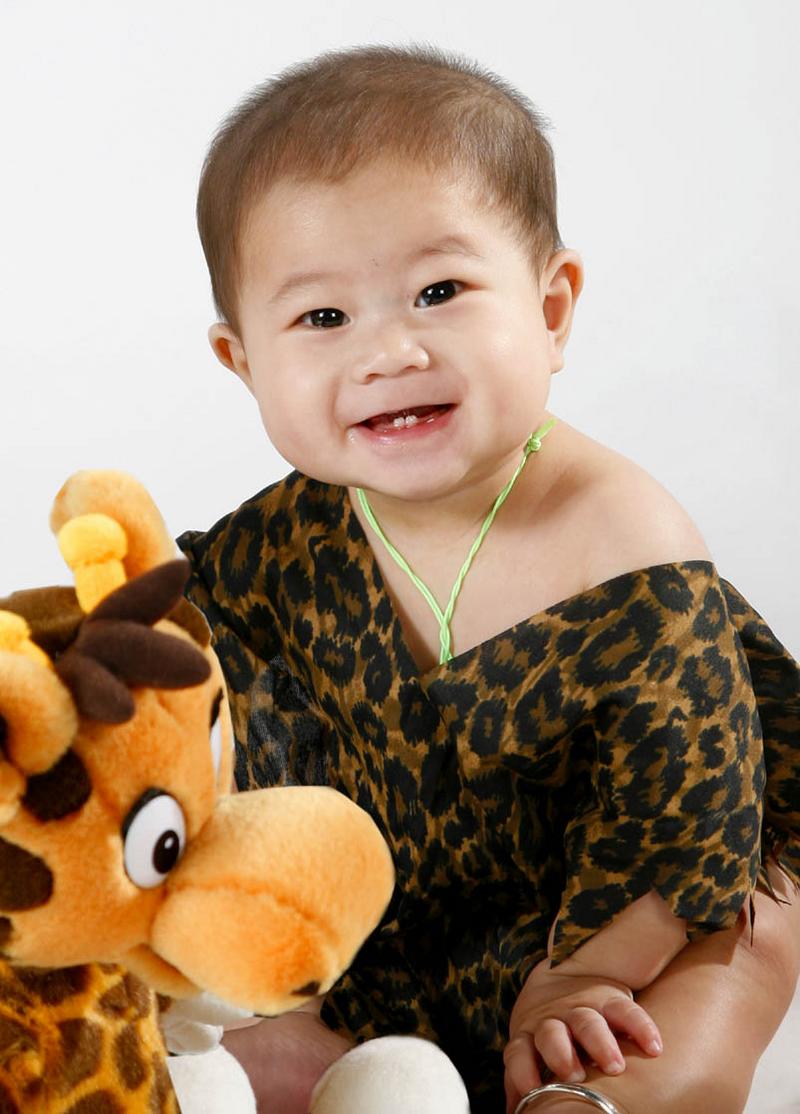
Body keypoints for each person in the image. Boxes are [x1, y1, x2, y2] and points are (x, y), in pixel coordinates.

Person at [176, 43, 800, 1114]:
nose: (389, 352)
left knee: (738, 951)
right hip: (386, 921)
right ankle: (333, 1075)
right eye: (323, 318)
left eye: (439, 292)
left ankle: (597, 1100)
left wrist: (579, 977)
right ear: (243, 362)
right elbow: (202, 725)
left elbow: (684, 805)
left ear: (550, 309)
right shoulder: (268, 552)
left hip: (633, 906)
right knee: (205, 1004)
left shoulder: (619, 536)